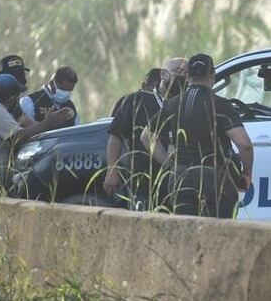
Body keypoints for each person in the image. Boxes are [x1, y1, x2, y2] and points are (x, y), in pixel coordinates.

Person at [141, 53, 253, 218]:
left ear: (187, 76)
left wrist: (169, 165)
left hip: (180, 178)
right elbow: (245, 145)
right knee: (218, 230)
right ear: (212, 74)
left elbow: (146, 136)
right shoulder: (221, 105)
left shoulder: (173, 104)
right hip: (214, 178)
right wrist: (247, 174)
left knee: (187, 229)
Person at [103, 58, 187, 208]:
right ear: (163, 74)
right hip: (143, 183)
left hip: (179, 183)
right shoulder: (135, 100)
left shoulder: (187, 104)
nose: (182, 76)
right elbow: (115, 137)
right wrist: (112, 170)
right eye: (178, 71)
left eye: (187, 73)